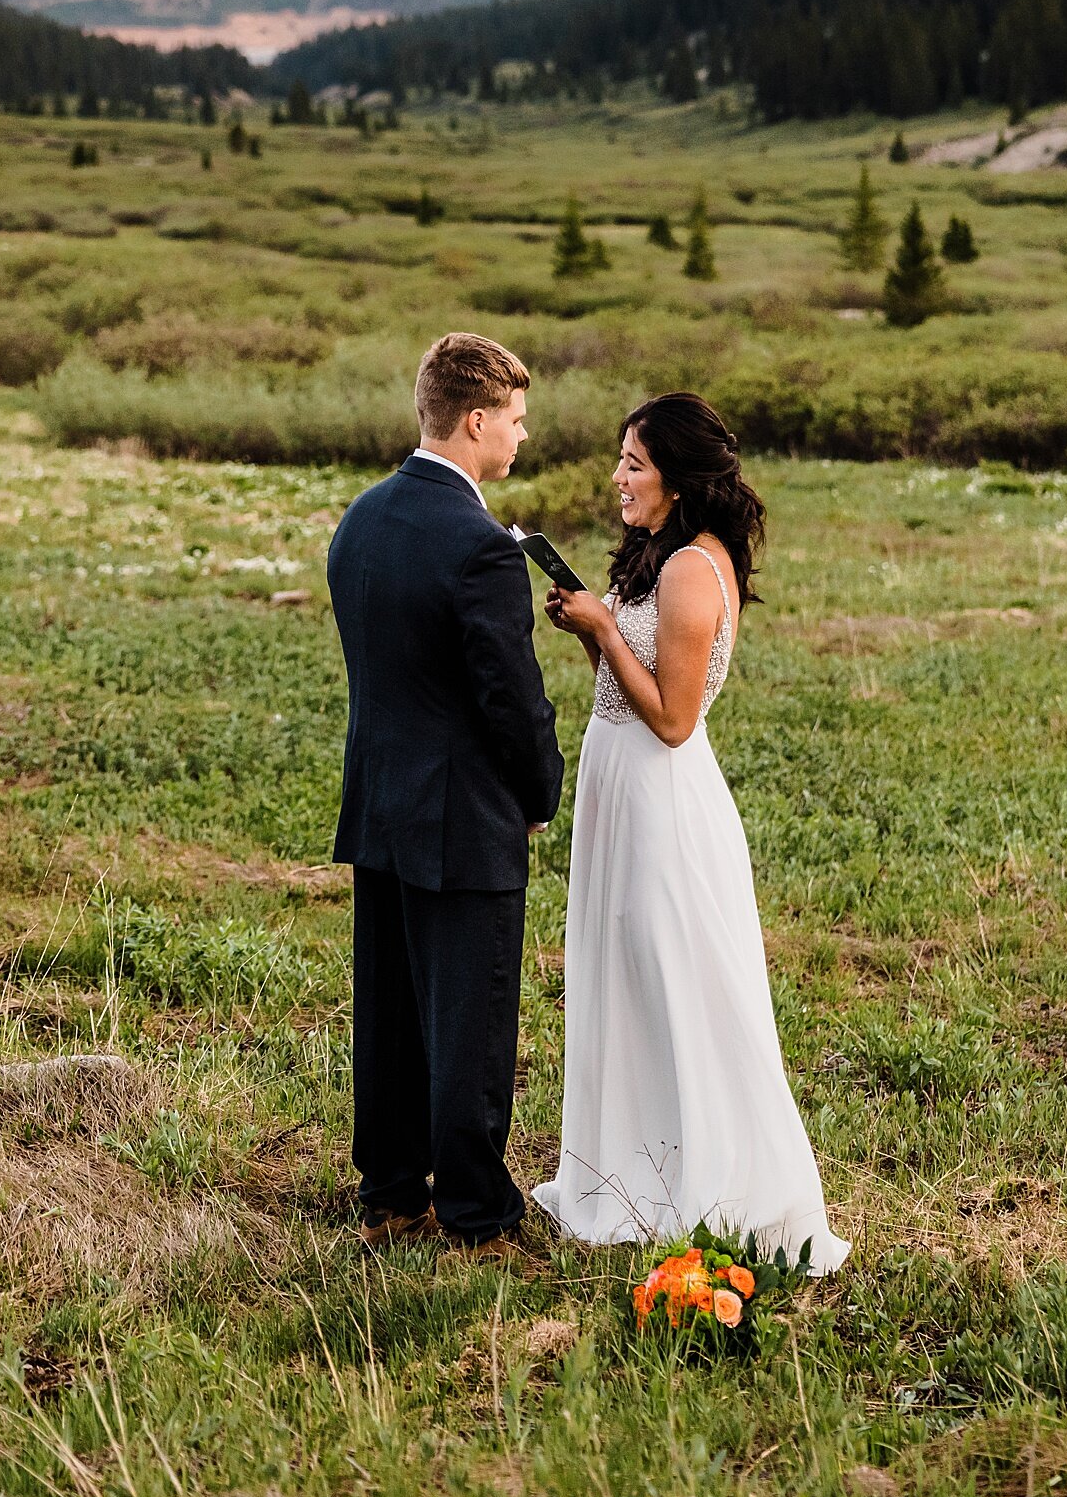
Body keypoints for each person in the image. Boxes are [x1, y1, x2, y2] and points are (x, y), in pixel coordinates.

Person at [533, 393, 849, 1269]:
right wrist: (594, 633)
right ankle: (631, 1166)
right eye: (621, 461)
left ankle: (705, 1177)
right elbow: (624, 683)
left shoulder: (688, 572)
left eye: (634, 463)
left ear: (677, 479)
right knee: (625, 976)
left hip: (659, 793)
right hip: (620, 783)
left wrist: (602, 622)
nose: (619, 478)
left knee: (674, 979)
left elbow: (674, 718)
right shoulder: (662, 559)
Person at [329, 332, 564, 1248]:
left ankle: (390, 1188)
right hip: (464, 814)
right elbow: (511, 699)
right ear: (476, 421)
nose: (522, 435)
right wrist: (539, 789)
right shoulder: (481, 549)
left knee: (388, 1006)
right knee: (471, 1017)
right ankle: (474, 1209)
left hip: (381, 799)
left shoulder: (363, 517)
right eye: (514, 418)